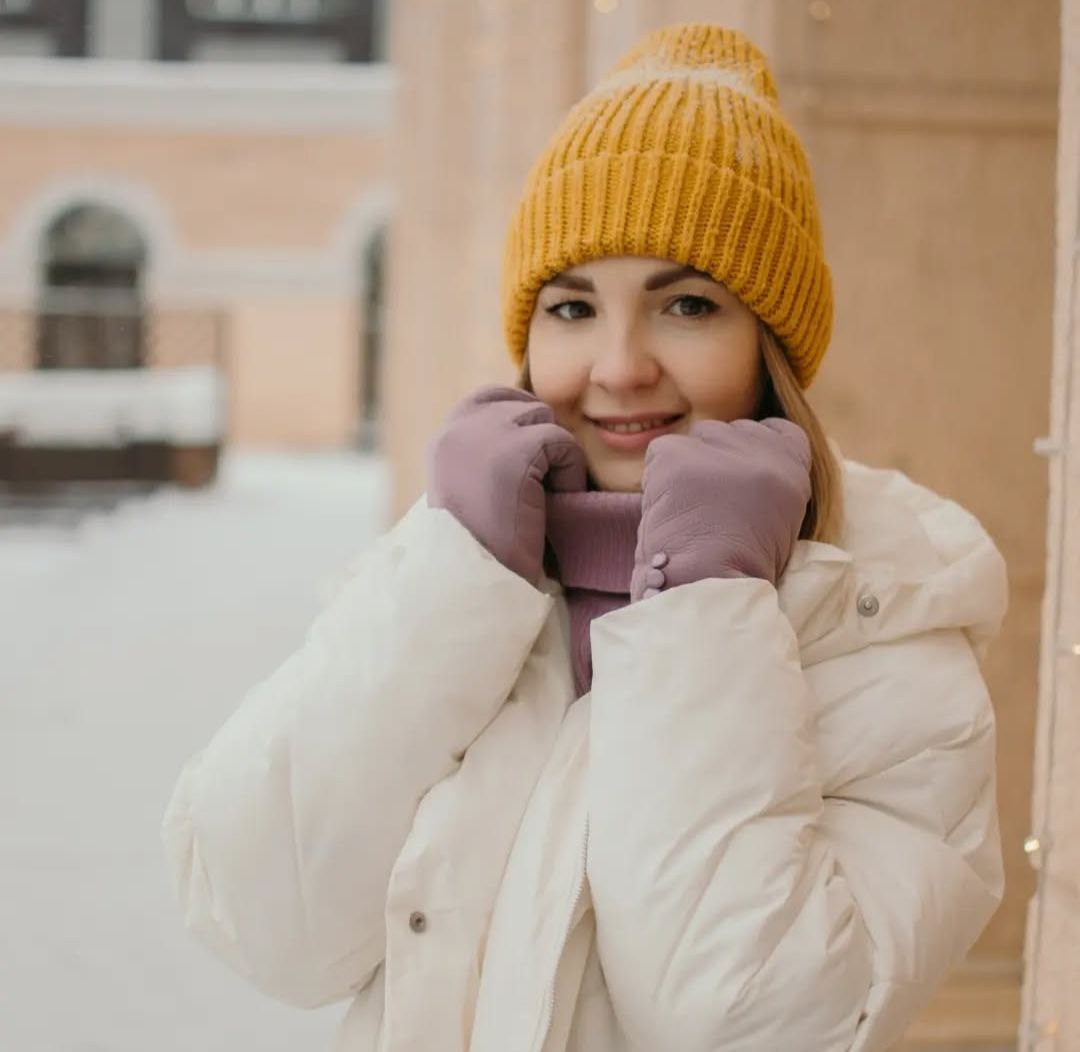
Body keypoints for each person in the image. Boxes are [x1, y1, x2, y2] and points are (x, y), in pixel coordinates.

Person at [162, 23, 1008, 1052]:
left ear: (769, 346)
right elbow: (265, 923)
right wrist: (457, 574)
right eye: (572, 306)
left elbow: (746, 1020)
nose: (617, 365)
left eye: (686, 304)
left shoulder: (887, 631)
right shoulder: (456, 573)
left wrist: (706, 598)